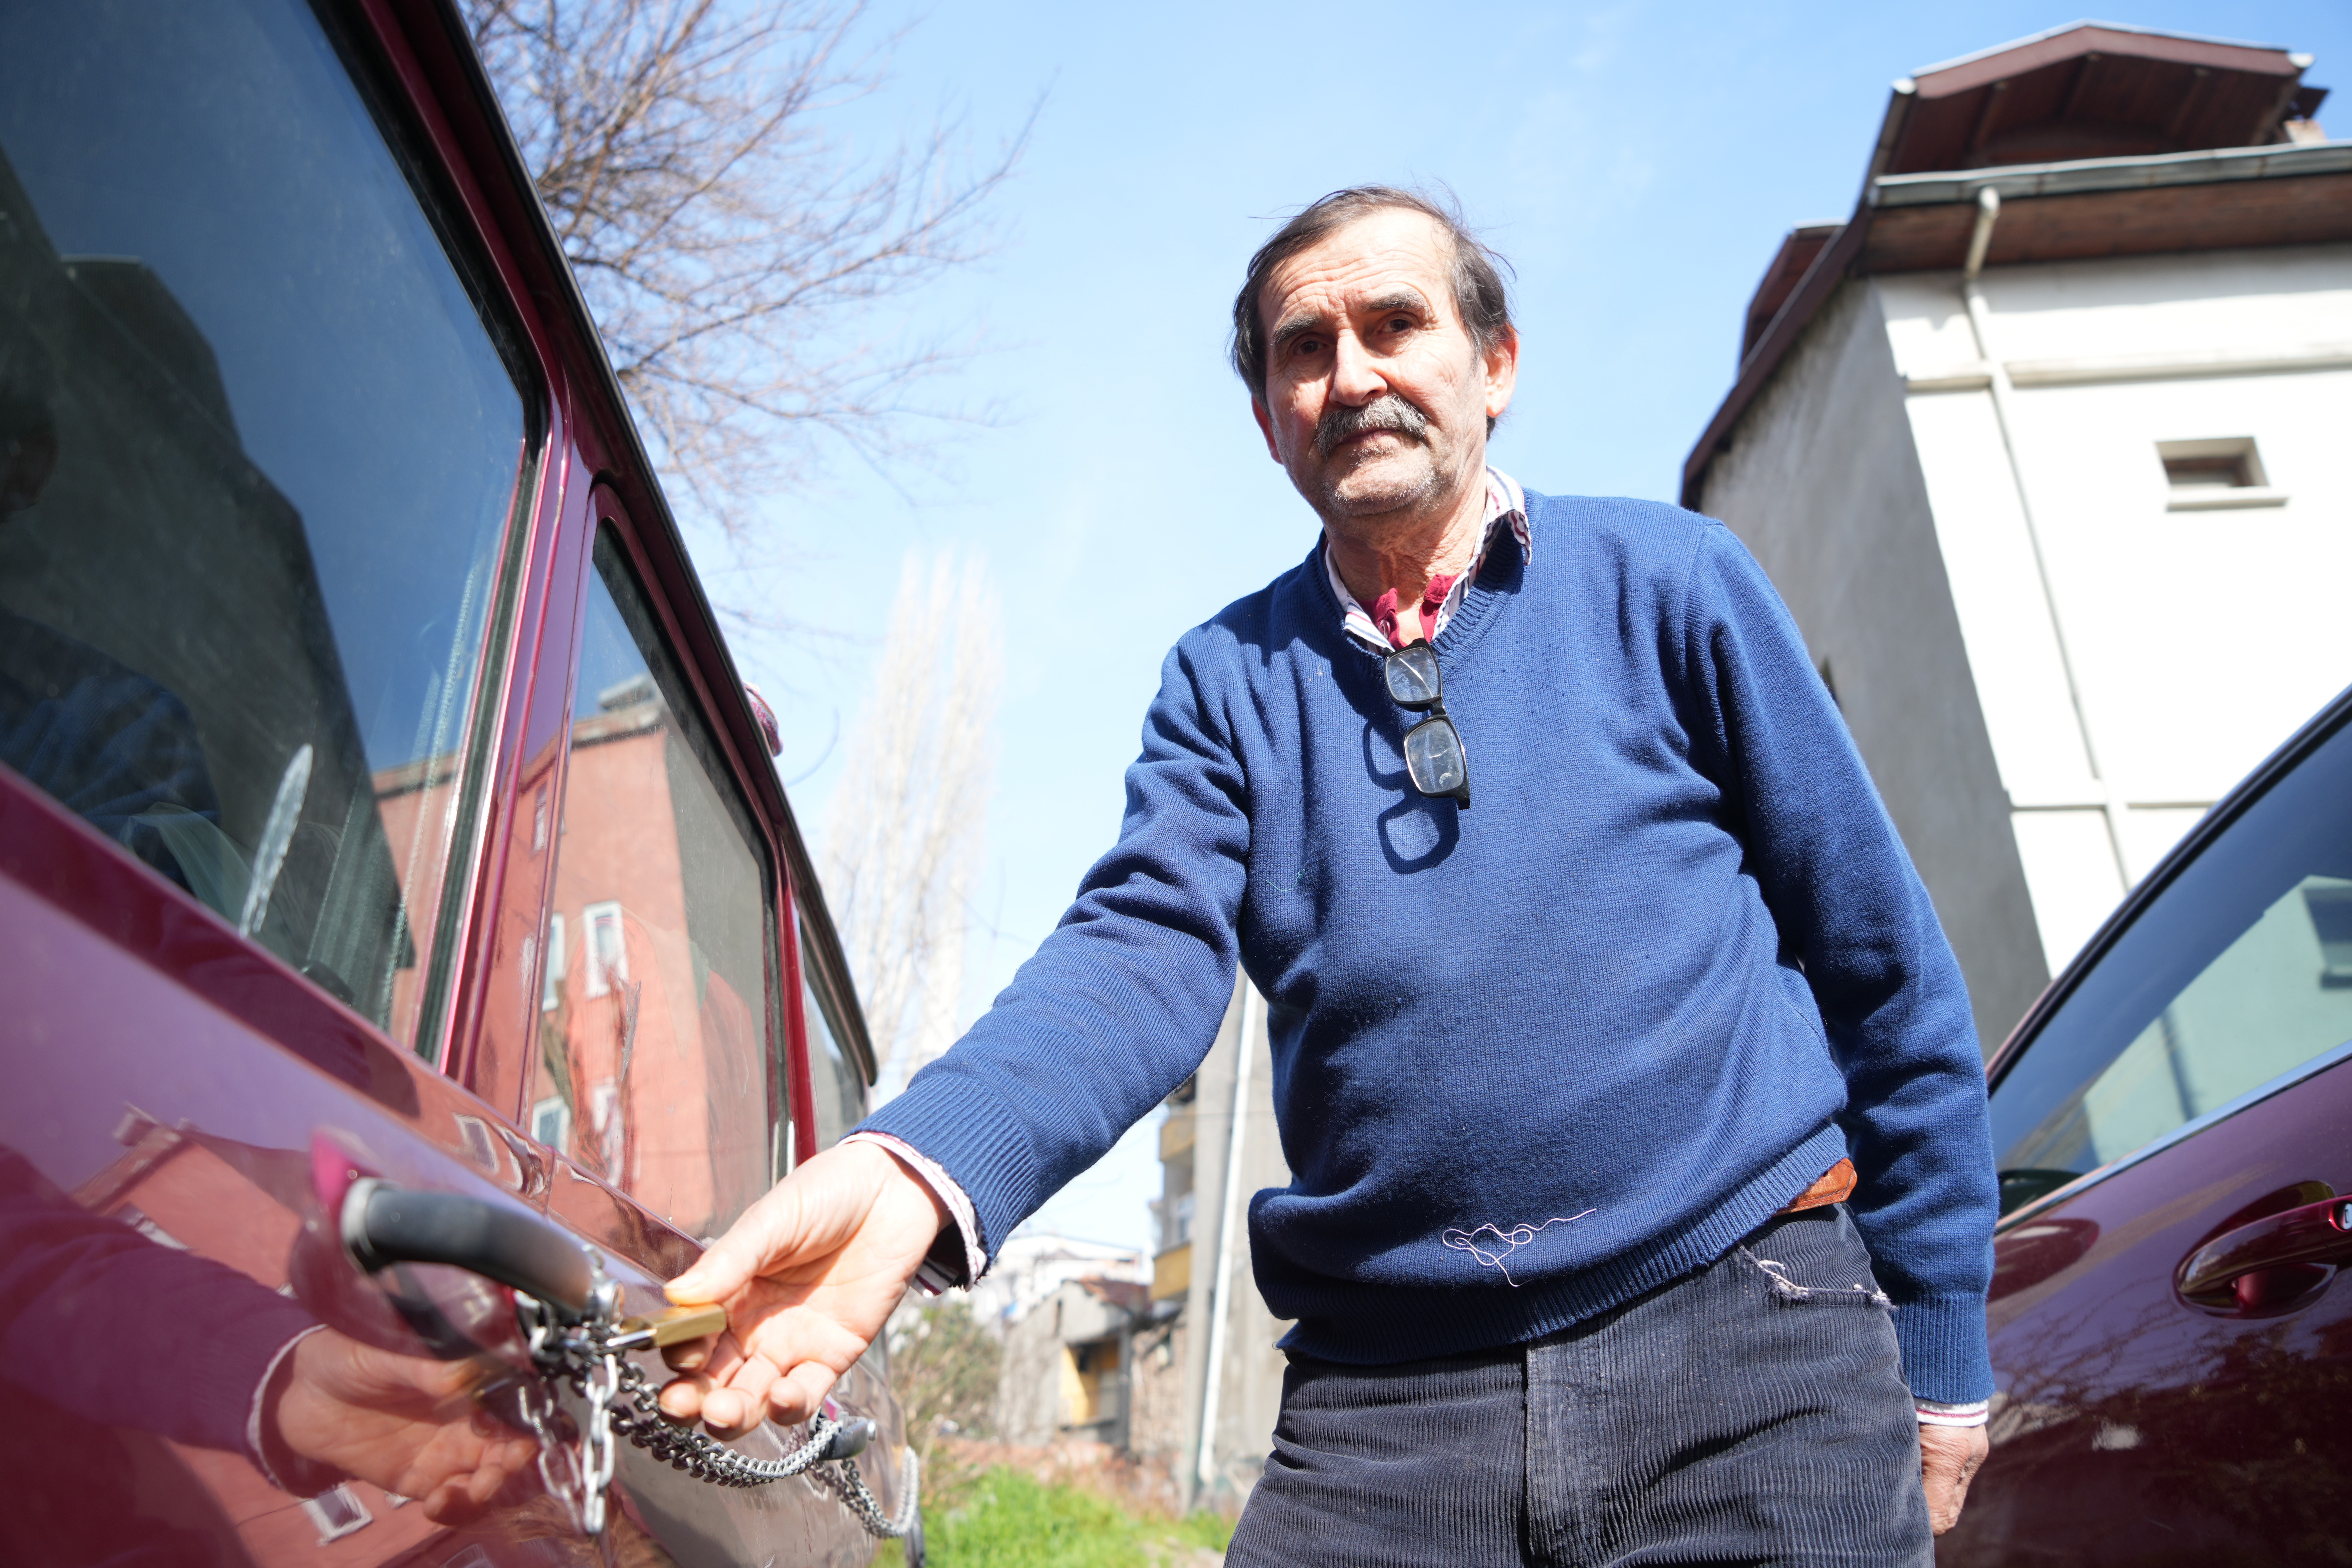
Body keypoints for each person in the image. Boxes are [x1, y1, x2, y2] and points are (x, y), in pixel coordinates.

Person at [661, 187, 1997, 1562]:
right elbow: (1136, 956)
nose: (1352, 372)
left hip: (1752, 1350)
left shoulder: (1671, 582)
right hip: (1386, 1408)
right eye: (1305, 348)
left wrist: (1944, 1341)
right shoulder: (1226, 683)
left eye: (1395, 323)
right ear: (1268, 421)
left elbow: (1882, 970)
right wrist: (919, 1167)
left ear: (1495, 365)